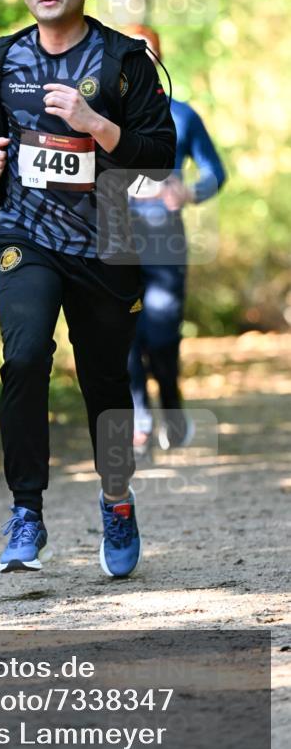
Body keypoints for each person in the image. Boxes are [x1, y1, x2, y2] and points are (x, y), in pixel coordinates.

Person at [0, 0, 176, 579]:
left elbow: (160, 156)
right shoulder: (3, 59)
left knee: (105, 384)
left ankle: (115, 500)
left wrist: (97, 127)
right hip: (23, 234)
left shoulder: (122, 61)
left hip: (106, 245)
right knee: (23, 356)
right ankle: (26, 509)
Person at [126, 26, 227, 459]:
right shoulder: (102, 116)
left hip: (166, 243)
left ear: (159, 61)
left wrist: (188, 191)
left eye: (148, 55)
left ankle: (170, 397)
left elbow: (215, 171)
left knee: (161, 334)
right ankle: (140, 419)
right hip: (115, 242)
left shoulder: (183, 116)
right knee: (122, 333)